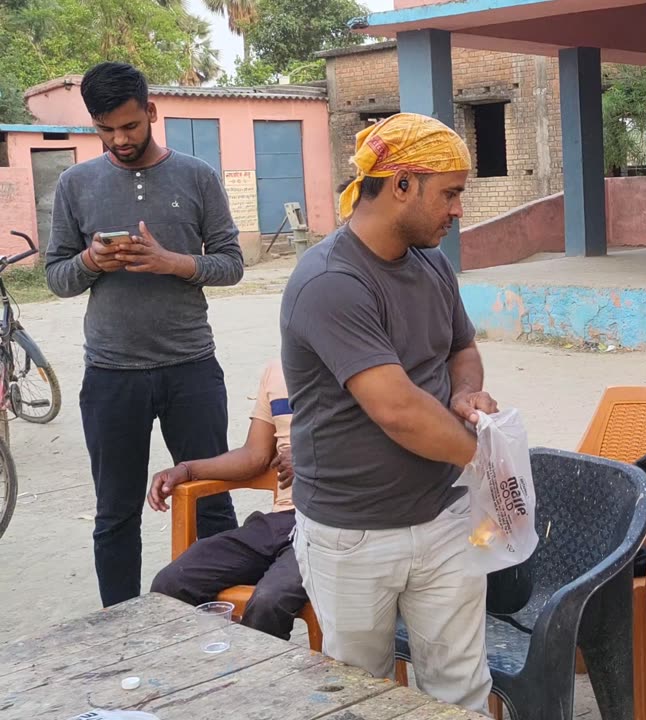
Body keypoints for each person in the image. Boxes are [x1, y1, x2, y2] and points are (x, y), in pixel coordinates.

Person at [280, 113, 497, 711]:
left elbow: (462, 346)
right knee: (362, 693)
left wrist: (465, 392)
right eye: (450, 193)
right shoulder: (330, 281)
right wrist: (492, 461)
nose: (458, 211)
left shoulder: (429, 262)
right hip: (353, 534)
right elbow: (397, 410)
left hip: (443, 516)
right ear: (401, 184)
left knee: (459, 688)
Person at [43, 61, 243, 608]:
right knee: (115, 514)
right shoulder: (75, 184)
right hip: (111, 375)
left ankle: (218, 622)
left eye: (129, 126)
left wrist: (172, 262)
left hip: (191, 370)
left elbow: (231, 263)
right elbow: (57, 277)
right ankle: (121, 631)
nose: (119, 139)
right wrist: (90, 259)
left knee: (211, 502)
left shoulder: (198, 175)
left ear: (151, 111)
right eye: (105, 129)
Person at [148, 359, 301, 640]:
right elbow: (255, 456)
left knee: (269, 600)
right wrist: (188, 469)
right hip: (281, 520)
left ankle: (256, 677)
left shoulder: (360, 371)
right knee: (171, 583)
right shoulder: (277, 372)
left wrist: (316, 458)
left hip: (331, 521)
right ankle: (198, 674)